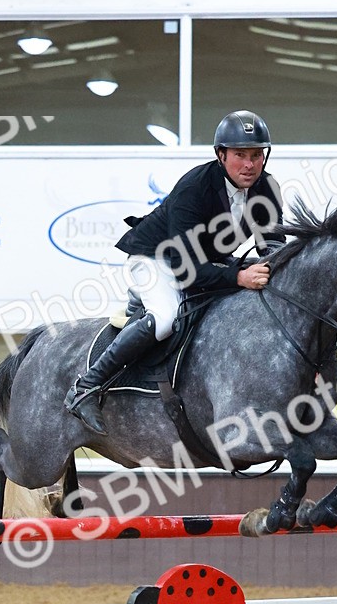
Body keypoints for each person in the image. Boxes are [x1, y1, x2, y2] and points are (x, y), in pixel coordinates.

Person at [64, 109, 285, 435]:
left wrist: (274, 271)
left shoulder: (267, 187)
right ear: (221, 155)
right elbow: (185, 270)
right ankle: (87, 386)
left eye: (256, 155)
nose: (250, 165)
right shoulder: (194, 187)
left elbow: (273, 245)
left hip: (207, 261)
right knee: (166, 318)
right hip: (156, 259)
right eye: (240, 155)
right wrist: (238, 277)